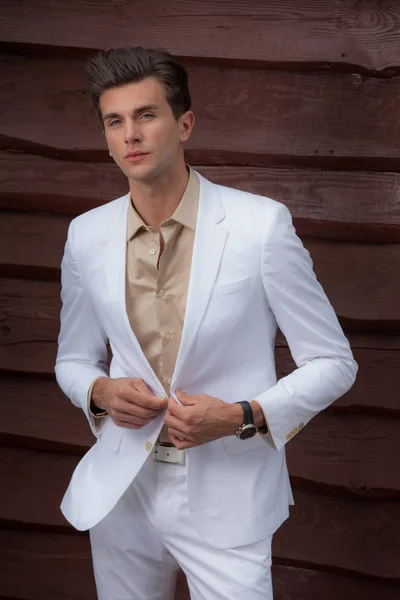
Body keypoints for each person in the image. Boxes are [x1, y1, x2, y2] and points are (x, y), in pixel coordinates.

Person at [55, 46, 358, 600]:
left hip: (230, 492)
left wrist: (242, 416)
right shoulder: (85, 234)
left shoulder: (260, 226)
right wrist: (98, 391)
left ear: (185, 123)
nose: (131, 136)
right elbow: (73, 360)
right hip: (122, 490)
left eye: (146, 115)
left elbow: (335, 363)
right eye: (114, 121)